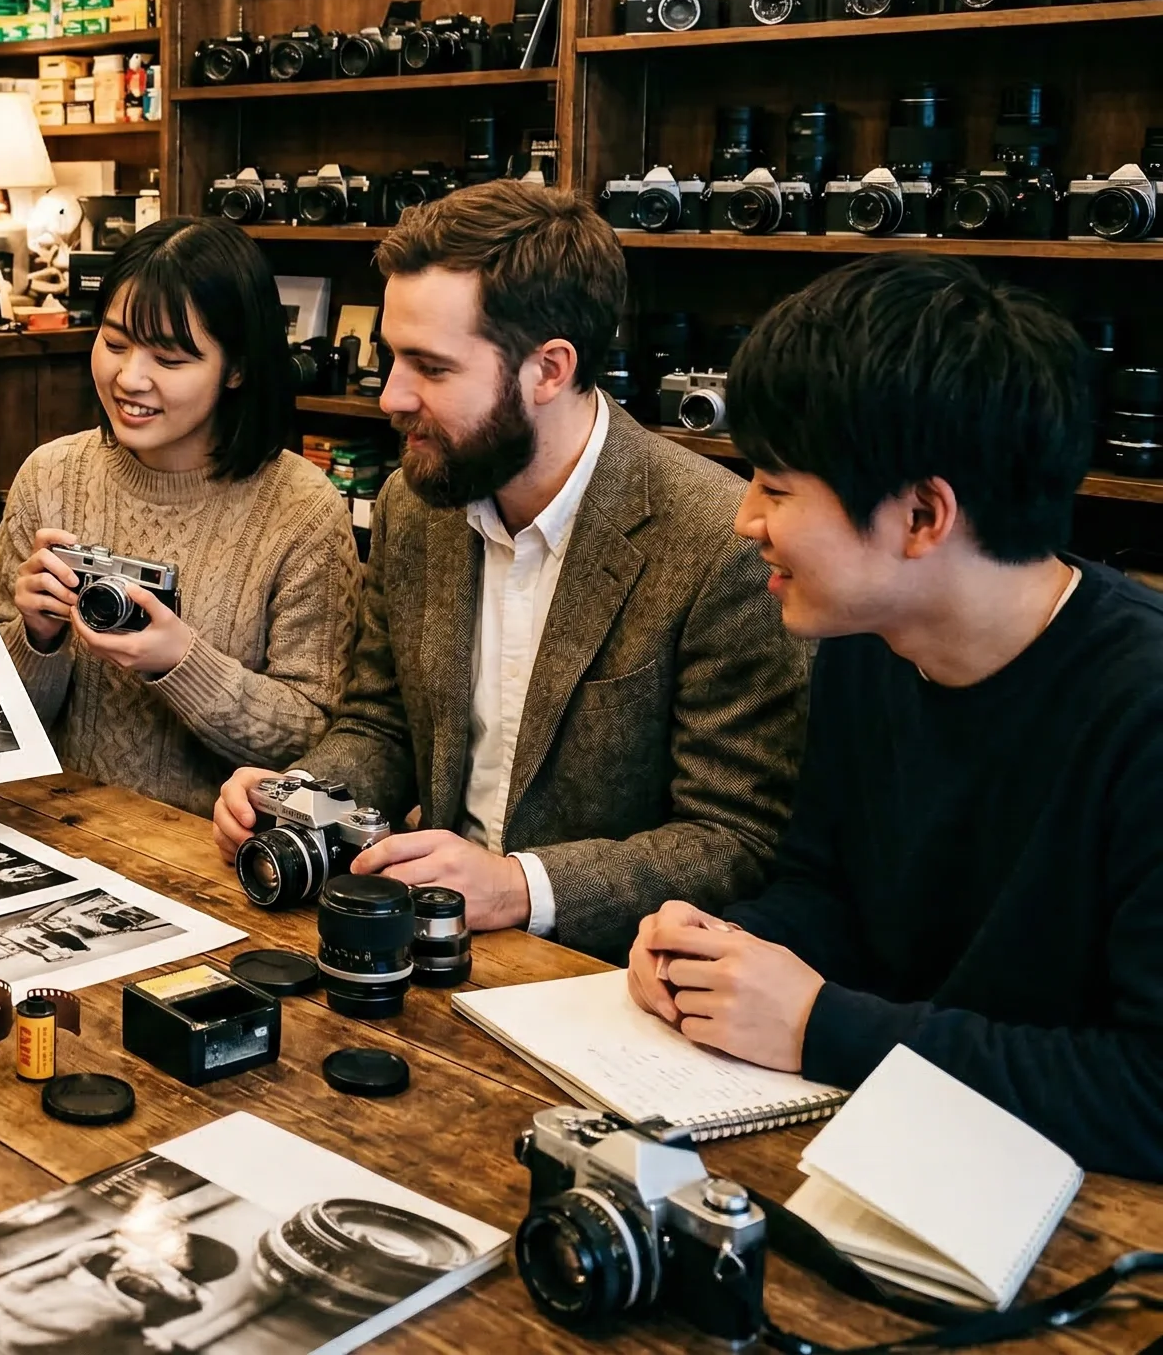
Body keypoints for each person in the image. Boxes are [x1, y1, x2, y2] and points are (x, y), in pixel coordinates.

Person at [627, 257, 1163, 1176]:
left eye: (777, 487)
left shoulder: (1141, 711)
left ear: (921, 515)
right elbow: (826, 887)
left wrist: (822, 1025)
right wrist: (722, 951)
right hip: (880, 1156)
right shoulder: (869, 643)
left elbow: (1147, 1094)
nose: (744, 519)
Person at [213, 183, 808, 960]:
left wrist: (522, 887)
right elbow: (379, 723)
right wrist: (300, 798)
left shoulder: (715, 542)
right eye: (394, 356)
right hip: (424, 945)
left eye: (430, 366)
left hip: (608, 978)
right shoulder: (415, 503)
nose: (391, 395)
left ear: (549, 369)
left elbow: (735, 840)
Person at [0, 217, 362, 817]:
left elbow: (316, 739)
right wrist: (35, 637)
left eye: (169, 358)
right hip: (57, 827)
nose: (129, 378)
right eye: (114, 344)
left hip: (213, 858)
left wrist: (180, 661)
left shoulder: (302, 509)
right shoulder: (50, 477)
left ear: (236, 368)